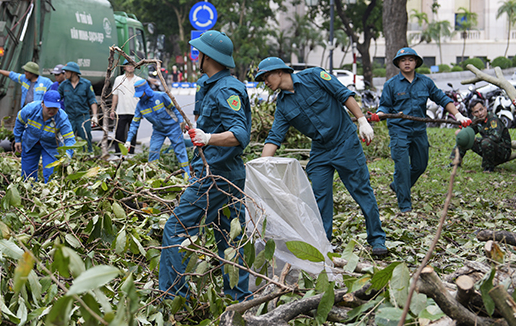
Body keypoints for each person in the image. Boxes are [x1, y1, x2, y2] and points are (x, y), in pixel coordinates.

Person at [255, 57, 388, 257]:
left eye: (266, 76)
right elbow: (275, 136)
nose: (265, 82)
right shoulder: (282, 105)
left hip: (345, 141)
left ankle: (377, 239)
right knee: (318, 196)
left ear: (280, 71)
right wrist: (260, 165)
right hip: (320, 149)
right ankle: (323, 243)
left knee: (361, 190)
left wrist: (362, 120)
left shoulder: (315, 76)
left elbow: (343, 94)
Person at [160, 30, 251, 301]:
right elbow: (204, 122)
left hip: (217, 176)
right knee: (229, 239)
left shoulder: (228, 89)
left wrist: (208, 137)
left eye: (199, 52)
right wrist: (198, 130)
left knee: (175, 229)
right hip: (217, 172)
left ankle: (175, 298)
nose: (195, 56)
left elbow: (239, 135)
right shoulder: (207, 84)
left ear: (208, 56)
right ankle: (237, 300)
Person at [372, 47, 470, 214]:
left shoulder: (425, 82)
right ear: (398, 63)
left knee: (420, 165)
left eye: (410, 59)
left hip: (419, 130)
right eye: (403, 60)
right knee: (402, 168)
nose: (407, 62)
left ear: (416, 62)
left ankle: (399, 186)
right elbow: (384, 107)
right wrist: (378, 115)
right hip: (399, 131)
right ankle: (405, 206)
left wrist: (459, 115)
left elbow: (442, 98)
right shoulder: (391, 84)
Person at [124, 80, 191, 180]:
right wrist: (128, 140)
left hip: (173, 128)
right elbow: (134, 123)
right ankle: (154, 177)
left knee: (180, 152)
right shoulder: (140, 106)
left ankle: (187, 177)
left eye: (141, 94)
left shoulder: (160, 96)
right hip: (158, 131)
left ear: (146, 90)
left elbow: (175, 108)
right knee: (153, 152)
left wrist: (181, 121)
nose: (139, 97)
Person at [13, 90, 76, 182]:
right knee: (27, 174)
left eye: (55, 108)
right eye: (49, 107)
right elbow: (19, 122)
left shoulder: (62, 118)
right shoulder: (30, 109)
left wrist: (67, 155)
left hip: (51, 146)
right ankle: (29, 193)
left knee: (51, 175)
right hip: (30, 143)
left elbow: (69, 139)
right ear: (42, 103)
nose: (52, 111)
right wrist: (17, 139)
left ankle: (49, 193)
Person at [452, 100, 513, 172]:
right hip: (489, 147)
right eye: (476, 112)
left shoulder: (493, 119)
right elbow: (469, 131)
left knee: (485, 142)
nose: (480, 113)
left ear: (485, 108)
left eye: (481, 110)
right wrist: (461, 132)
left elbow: (496, 137)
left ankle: (488, 167)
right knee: (465, 138)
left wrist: (476, 140)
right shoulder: (477, 120)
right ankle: (455, 162)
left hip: (503, 151)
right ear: (473, 114)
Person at [57, 62, 97, 153]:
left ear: (73, 73)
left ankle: (87, 156)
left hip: (83, 116)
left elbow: (92, 100)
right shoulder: (64, 85)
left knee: (86, 138)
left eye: (67, 72)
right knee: (68, 138)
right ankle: (68, 157)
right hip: (69, 117)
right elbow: (57, 98)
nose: (65, 74)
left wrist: (95, 116)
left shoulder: (86, 84)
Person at [111, 60, 142, 154]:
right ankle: (118, 152)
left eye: (132, 65)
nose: (130, 67)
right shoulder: (118, 79)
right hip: (121, 110)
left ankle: (131, 152)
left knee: (133, 133)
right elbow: (115, 95)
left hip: (135, 111)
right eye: (127, 65)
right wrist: (113, 110)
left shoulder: (138, 80)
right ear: (124, 67)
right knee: (119, 132)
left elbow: (142, 96)